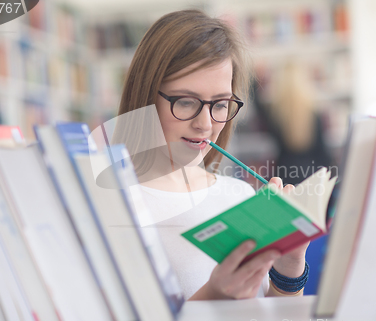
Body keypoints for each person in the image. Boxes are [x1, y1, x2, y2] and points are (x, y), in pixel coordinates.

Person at [112, 9, 309, 301]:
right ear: (145, 97)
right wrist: (213, 297)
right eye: (187, 101)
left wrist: (288, 267)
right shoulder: (113, 207)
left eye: (219, 104)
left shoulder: (241, 196)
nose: (205, 124)